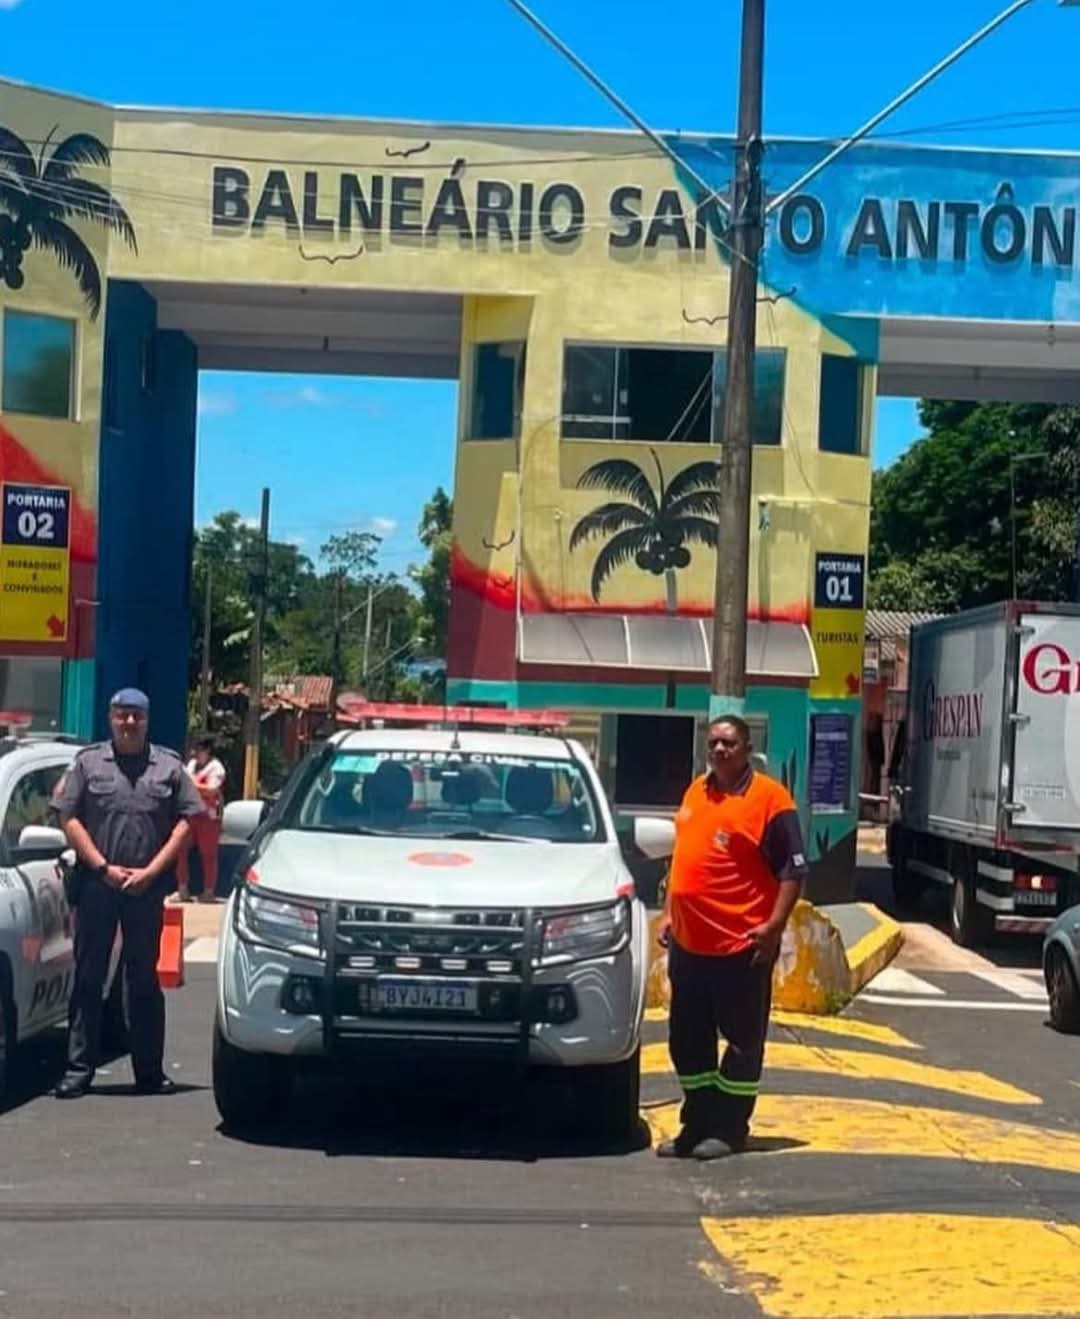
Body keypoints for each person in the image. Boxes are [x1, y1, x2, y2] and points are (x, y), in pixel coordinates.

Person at [656, 715, 807, 1161]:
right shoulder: (695, 791)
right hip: (689, 947)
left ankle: (729, 1127)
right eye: (714, 743)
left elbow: (793, 870)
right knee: (686, 1042)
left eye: (729, 743)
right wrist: (668, 913)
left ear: (747, 748)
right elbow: (682, 858)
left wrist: (774, 926)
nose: (720, 750)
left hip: (740, 948)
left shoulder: (770, 800)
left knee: (741, 1044)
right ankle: (696, 1123)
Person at [50, 688, 204, 1099]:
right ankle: (79, 1069)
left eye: (136, 715)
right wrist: (102, 866)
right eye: (122, 715)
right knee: (88, 977)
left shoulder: (169, 766)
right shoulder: (88, 763)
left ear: (147, 720)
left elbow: (188, 822)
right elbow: (68, 817)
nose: (129, 723)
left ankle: (149, 1072)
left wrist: (153, 872)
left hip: (146, 890)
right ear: (111, 718)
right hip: (98, 885)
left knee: (143, 981)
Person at [175, 737, 227, 902]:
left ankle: (208, 892)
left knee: (208, 855)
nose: (194, 753)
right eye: (193, 750)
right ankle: (182, 889)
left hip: (209, 817)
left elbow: (212, 790)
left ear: (207, 751)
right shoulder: (191, 765)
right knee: (180, 849)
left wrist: (191, 785)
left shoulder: (216, 768)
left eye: (198, 750)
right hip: (190, 814)